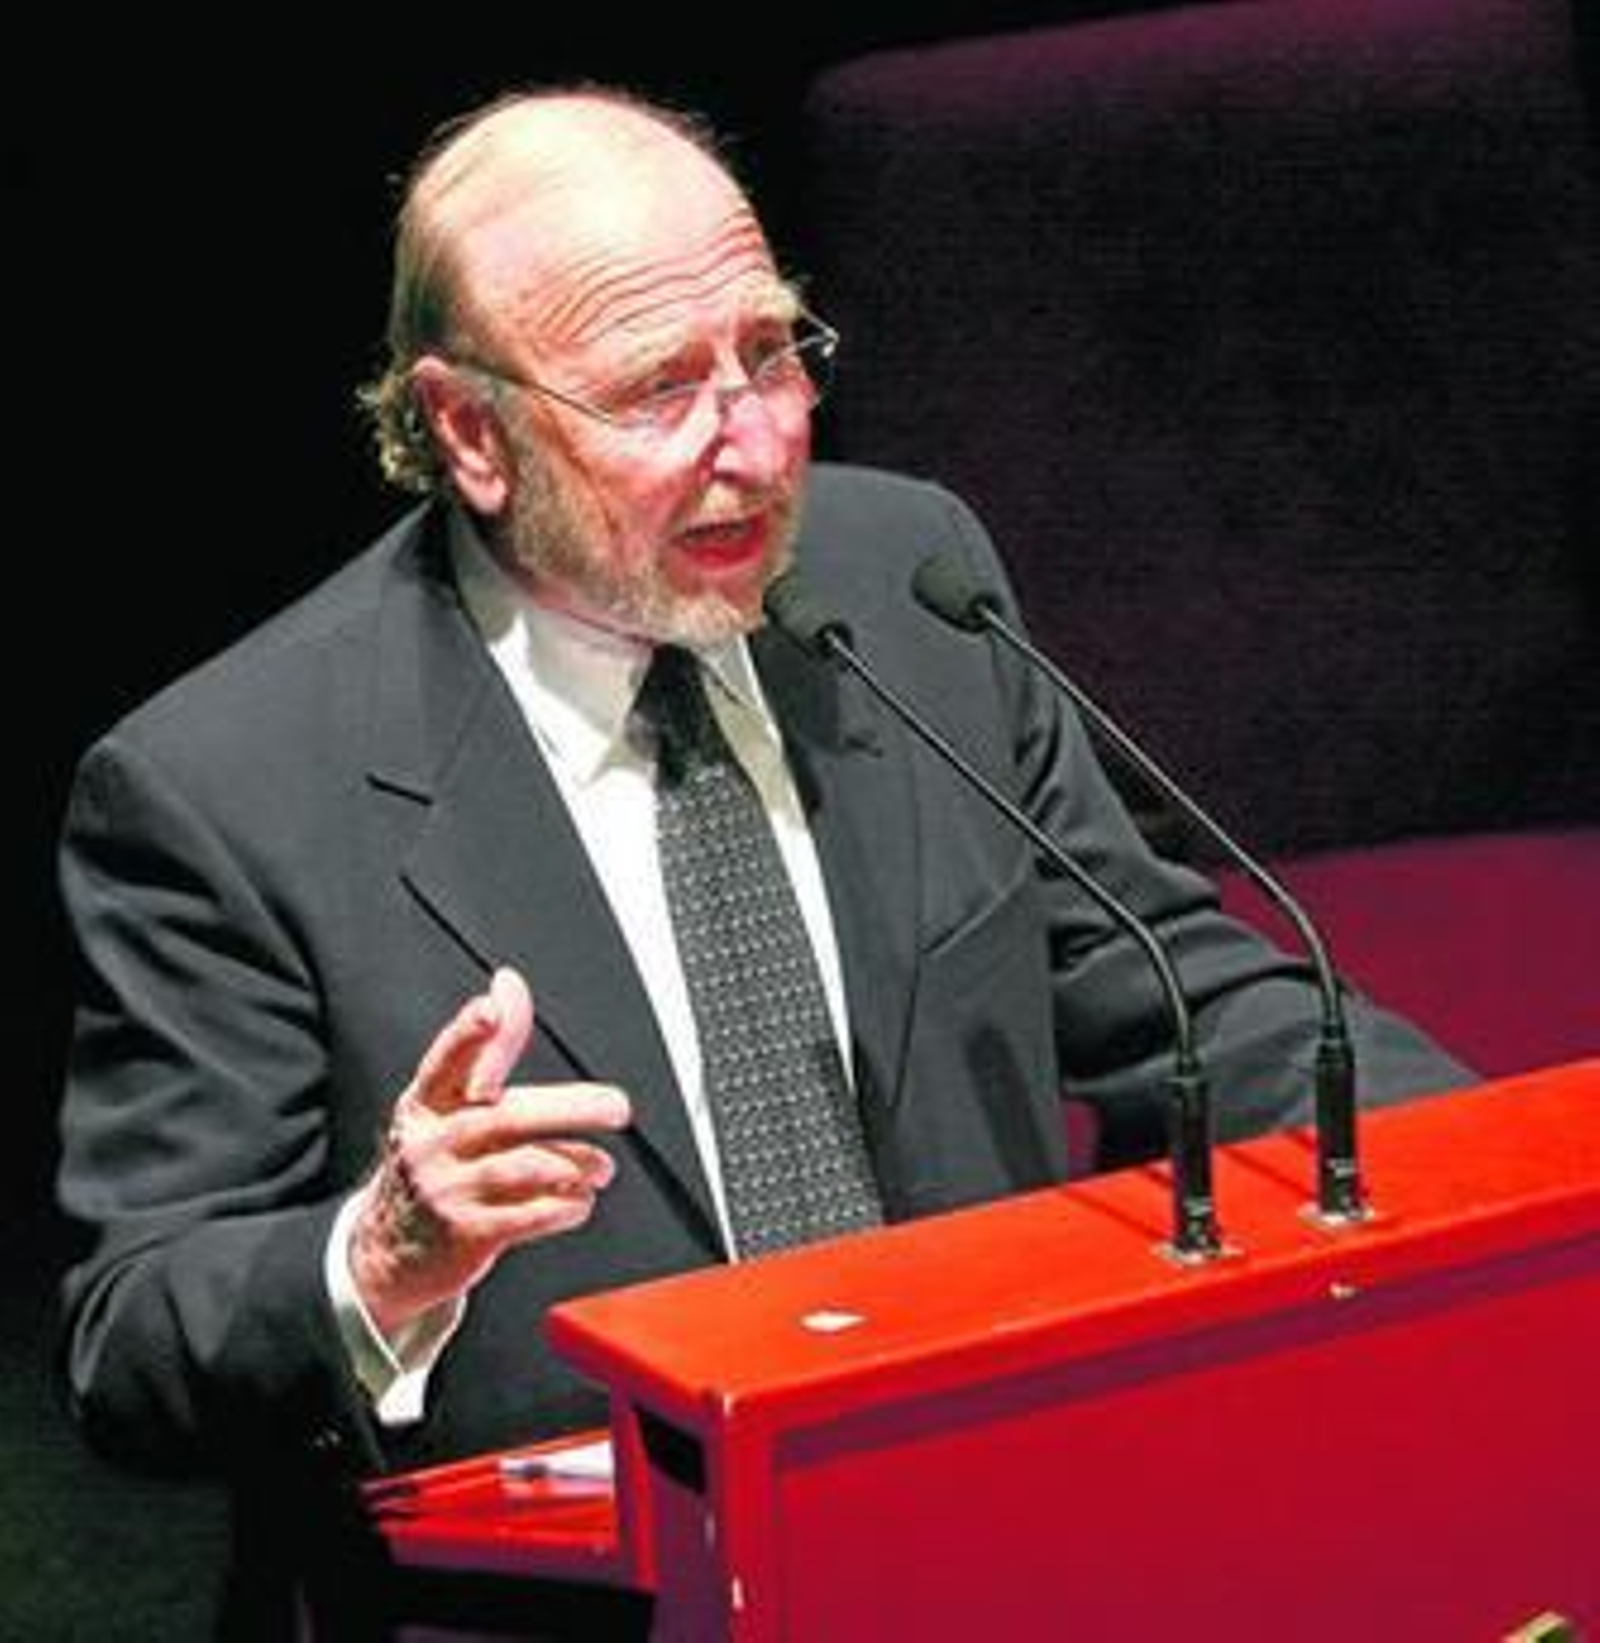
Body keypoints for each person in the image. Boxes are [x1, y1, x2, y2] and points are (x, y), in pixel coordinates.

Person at [54, 84, 1473, 1636]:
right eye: (659, 387)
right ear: (470, 430)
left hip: (990, 1553)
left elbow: (1157, 984)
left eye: (773, 350)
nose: (756, 442)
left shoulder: (905, 582)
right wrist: (379, 1255)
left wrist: (1507, 1169)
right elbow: (134, 1340)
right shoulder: (229, 782)